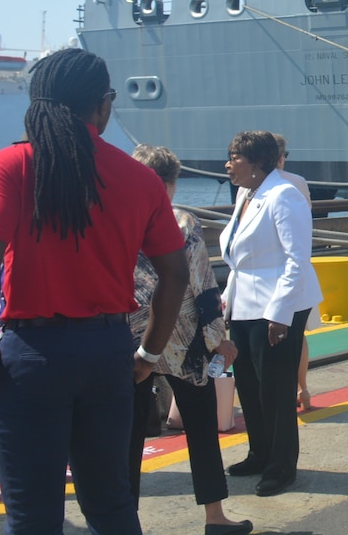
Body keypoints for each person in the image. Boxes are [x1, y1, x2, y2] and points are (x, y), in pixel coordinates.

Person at [0, 48, 188, 534]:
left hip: (31, 355)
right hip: (107, 353)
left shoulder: (10, 166)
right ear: (103, 106)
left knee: (33, 514)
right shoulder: (140, 178)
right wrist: (147, 353)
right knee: (111, 504)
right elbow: (176, 274)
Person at [126, 146, 252, 535]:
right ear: (172, 181)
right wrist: (219, 339)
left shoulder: (116, 219)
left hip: (130, 340)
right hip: (183, 344)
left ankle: (125, 520)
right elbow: (201, 285)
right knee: (200, 430)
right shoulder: (181, 221)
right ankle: (214, 516)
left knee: (127, 438)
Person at [220, 130, 322, 497]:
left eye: (235, 157)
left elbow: (297, 260)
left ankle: (281, 466)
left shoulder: (283, 195)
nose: (228, 164)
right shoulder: (247, 194)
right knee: (248, 383)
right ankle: (259, 453)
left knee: (276, 390)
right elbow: (239, 256)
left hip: (278, 305)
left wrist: (279, 315)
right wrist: (227, 300)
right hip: (245, 303)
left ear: (258, 162)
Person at [270, 135, 315, 413]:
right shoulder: (297, 182)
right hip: (297, 268)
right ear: (282, 155)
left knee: (273, 337)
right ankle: (303, 389)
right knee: (299, 334)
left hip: (270, 270)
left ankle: (282, 391)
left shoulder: (253, 188)